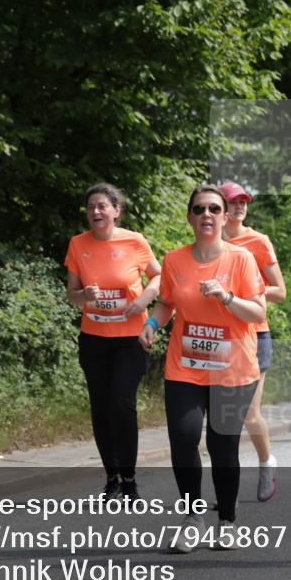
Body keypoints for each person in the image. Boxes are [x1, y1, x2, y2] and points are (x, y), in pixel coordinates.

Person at [139, 185, 266, 552]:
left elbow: (258, 312)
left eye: (214, 209)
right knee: (183, 437)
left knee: (222, 447)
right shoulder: (176, 260)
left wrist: (227, 298)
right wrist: (151, 325)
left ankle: (226, 519)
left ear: (225, 217)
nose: (207, 215)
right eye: (199, 209)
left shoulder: (240, 259)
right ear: (190, 217)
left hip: (233, 368)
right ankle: (192, 518)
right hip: (186, 366)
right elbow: (165, 304)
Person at [65, 183, 161, 505]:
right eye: (91, 206)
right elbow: (71, 295)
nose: (96, 211)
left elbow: (160, 277)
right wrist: (84, 296)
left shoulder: (134, 241)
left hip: (130, 340)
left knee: (122, 404)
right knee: (101, 409)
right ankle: (112, 478)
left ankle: (130, 480)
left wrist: (145, 297)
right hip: (94, 340)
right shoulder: (79, 244)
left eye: (102, 206)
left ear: (116, 211)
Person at [220, 181, 287, 502]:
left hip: (253, 333)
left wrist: (244, 293)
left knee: (247, 411)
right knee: (222, 413)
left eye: (244, 202)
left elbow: (281, 290)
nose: (240, 206)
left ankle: (266, 462)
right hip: (216, 336)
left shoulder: (258, 241)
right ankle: (226, 481)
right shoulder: (209, 239)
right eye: (233, 201)